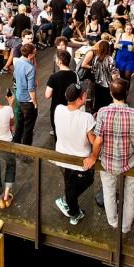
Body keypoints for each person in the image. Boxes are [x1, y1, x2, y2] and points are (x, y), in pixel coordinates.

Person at [88, 79, 134, 234]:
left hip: (107, 162)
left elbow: (98, 140)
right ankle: (125, 227)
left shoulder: (103, 112)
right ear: (126, 93)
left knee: (108, 193)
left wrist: (93, 157)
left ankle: (113, 222)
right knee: (130, 196)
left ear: (111, 93)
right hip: (129, 163)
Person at [54, 83, 97, 225]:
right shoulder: (87, 118)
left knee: (69, 185)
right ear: (80, 99)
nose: (86, 95)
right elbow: (93, 141)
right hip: (80, 163)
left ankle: (69, 204)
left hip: (61, 157)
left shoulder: (58, 109)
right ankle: (73, 212)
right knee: (84, 182)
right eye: (84, 94)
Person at [45, 50, 78, 137]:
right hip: (70, 107)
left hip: (57, 107)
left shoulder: (53, 77)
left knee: (58, 133)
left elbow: (47, 95)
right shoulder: (74, 75)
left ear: (59, 61)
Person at [13, 43, 37, 147]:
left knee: (19, 123)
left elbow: (14, 75)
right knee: (28, 128)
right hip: (28, 101)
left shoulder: (17, 62)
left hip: (19, 97)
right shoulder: (30, 68)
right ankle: (26, 150)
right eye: (34, 53)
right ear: (30, 55)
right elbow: (31, 88)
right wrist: (34, 102)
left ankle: (15, 144)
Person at [90, 40, 119, 113]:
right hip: (107, 85)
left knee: (98, 103)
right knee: (107, 105)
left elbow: (92, 71)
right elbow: (113, 74)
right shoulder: (110, 59)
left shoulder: (95, 58)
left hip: (97, 84)